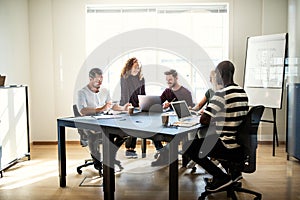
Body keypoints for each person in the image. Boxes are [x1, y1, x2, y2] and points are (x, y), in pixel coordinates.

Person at [184, 60, 249, 192]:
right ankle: (232, 175)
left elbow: (203, 119)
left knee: (190, 147)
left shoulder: (221, 94)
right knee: (209, 139)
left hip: (227, 144)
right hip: (240, 145)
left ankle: (222, 178)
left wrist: (214, 119)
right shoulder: (242, 92)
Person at [77, 68, 130, 170]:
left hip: (104, 120)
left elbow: (111, 106)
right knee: (93, 134)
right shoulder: (82, 92)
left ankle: (110, 157)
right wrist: (101, 108)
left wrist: (123, 108)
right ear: (90, 79)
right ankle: (97, 162)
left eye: (101, 80)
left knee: (124, 133)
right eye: (97, 81)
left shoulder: (105, 91)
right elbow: (82, 111)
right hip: (88, 123)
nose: (99, 83)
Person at [151, 69, 194, 166]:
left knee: (174, 136)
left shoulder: (185, 92)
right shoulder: (167, 91)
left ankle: (164, 154)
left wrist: (179, 106)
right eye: (166, 80)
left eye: (170, 79)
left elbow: (191, 108)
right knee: (153, 130)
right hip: (170, 120)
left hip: (181, 121)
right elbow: (158, 102)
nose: (168, 82)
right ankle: (163, 152)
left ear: (176, 78)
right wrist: (162, 106)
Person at [120, 57, 146, 158]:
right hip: (127, 103)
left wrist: (143, 103)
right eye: (135, 67)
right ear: (130, 67)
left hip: (137, 104)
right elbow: (124, 92)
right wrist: (127, 105)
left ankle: (133, 148)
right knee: (131, 125)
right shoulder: (124, 77)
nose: (137, 70)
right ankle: (130, 149)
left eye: (139, 68)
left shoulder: (141, 78)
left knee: (137, 124)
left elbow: (143, 93)